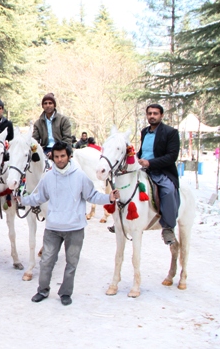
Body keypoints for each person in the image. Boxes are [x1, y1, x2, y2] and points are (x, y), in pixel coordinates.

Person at [17, 142, 120, 306]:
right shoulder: (48, 177)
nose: (60, 159)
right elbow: (39, 197)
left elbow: (92, 195)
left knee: (71, 264)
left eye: (63, 156)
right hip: (53, 228)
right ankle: (42, 290)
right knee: (46, 262)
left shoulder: (80, 176)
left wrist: (109, 198)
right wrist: (22, 200)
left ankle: (65, 293)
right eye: (56, 156)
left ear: (69, 156)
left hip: (75, 228)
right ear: (52, 157)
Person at [137, 104, 181, 246]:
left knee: (168, 191)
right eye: (149, 113)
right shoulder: (144, 132)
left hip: (161, 171)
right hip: (142, 169)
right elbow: (143, 152)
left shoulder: (171, 132)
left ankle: (168, 228)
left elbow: (171, 156)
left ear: (161, 115)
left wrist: (150, 163)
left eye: (155, 113)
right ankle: (122, 219)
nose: (152, 116)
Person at [32, 93, 73, 158]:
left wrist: (55, 152)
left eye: (50, 103)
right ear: (42, 106)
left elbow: (67, 139)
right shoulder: (38, 123)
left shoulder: (63, 120)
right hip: (44, 151)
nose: (48, 105)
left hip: (61, 149)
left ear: (54, 105)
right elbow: (34, 140)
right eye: (45, 103)